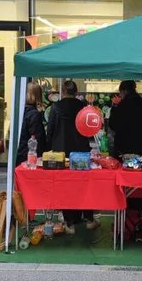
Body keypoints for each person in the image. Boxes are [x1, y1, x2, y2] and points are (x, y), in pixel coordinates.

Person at [47, 80, 99, 232]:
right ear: (76, 92)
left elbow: (50, 131)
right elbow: (90, 128)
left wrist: (47, 149)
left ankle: (69, 222)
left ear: (63, 91)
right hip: (81, 151)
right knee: (84, 184)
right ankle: (89, 218)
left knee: (65, 185)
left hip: (61, 152)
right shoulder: (83, 107)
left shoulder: (56, 107)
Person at [108, 80, 142, 157]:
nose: (120, 95)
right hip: (140, 145)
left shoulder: (121, 106)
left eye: (120, 92)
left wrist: (114, 108)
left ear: (124, 91)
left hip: (123, 147)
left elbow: (113, 125)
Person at [15, 82, 48, 167]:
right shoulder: (33, 114)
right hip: (29, 157)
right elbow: (37, 138)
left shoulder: (21, 111)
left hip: (20, 153)